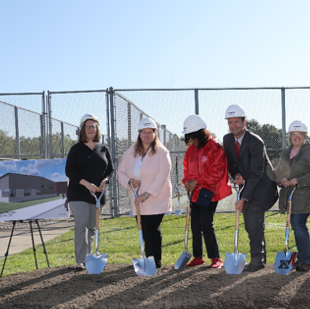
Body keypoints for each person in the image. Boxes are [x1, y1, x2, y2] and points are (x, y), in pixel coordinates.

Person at [223, 104, 278, 272]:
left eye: (236, 122)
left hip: (262, 188)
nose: (233, 125)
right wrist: (237, 174)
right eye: (230, 122)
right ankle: (260, 256)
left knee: (254, 223)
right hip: (248, 186)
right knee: (249, 224)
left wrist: (243, 198)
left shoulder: (255, 142)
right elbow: (231, 163)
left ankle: (257, 260)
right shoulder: (227, 139)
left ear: (244, 122)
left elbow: (256, 174)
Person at [117, 117, 172, 268]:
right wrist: (129, 182)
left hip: (156, 198)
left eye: (150, 132)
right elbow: (120, 172)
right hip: (137, 199)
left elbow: (163, 175)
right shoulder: (130, 153)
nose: (147, 135)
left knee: (151, 229)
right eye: (144, 132)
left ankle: (155, 261)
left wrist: (147, 194)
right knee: (144, 229)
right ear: (139, 134)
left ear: (155, 134)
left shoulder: (162, 152)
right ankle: (148, 259)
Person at [273, 120, 310, 272]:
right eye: (294, 134)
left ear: (304, 135)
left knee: (298, 225)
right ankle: (302, 259)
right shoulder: (286, 152)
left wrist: (299, 181)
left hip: (305, 196)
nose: (296, 137)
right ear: (290, 136)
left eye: (299, 134)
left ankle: (307, 260)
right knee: (296, 227)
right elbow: (278, 172)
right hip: (290, 196)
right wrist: (280, 179)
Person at [181, 114, 232, 269]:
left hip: (210, 192)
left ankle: (216, 257)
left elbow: (216, 172)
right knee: (195, 224)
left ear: (201, 134)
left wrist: (197, 181)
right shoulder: (191, 150)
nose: (191, 140)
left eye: (193, 137)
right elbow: (186, 169)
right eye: (188, 137)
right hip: (195, 192)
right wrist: (187, 183)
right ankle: (198, 256)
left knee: (206, 223)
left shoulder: (215, 148)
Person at [65, 113, 114, 271]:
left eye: (93, 126)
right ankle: (80, 260)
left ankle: (89, 257)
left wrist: (105, 181)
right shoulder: (76, 149)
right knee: (82, 224)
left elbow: (110, 170)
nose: (91, 129)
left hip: (98, 194)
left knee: (92, 226)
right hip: (78, 192)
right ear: (82, 130)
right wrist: (87, 184)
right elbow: (69, 171)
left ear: (97, 129)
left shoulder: (103, 149)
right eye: (87, 127)